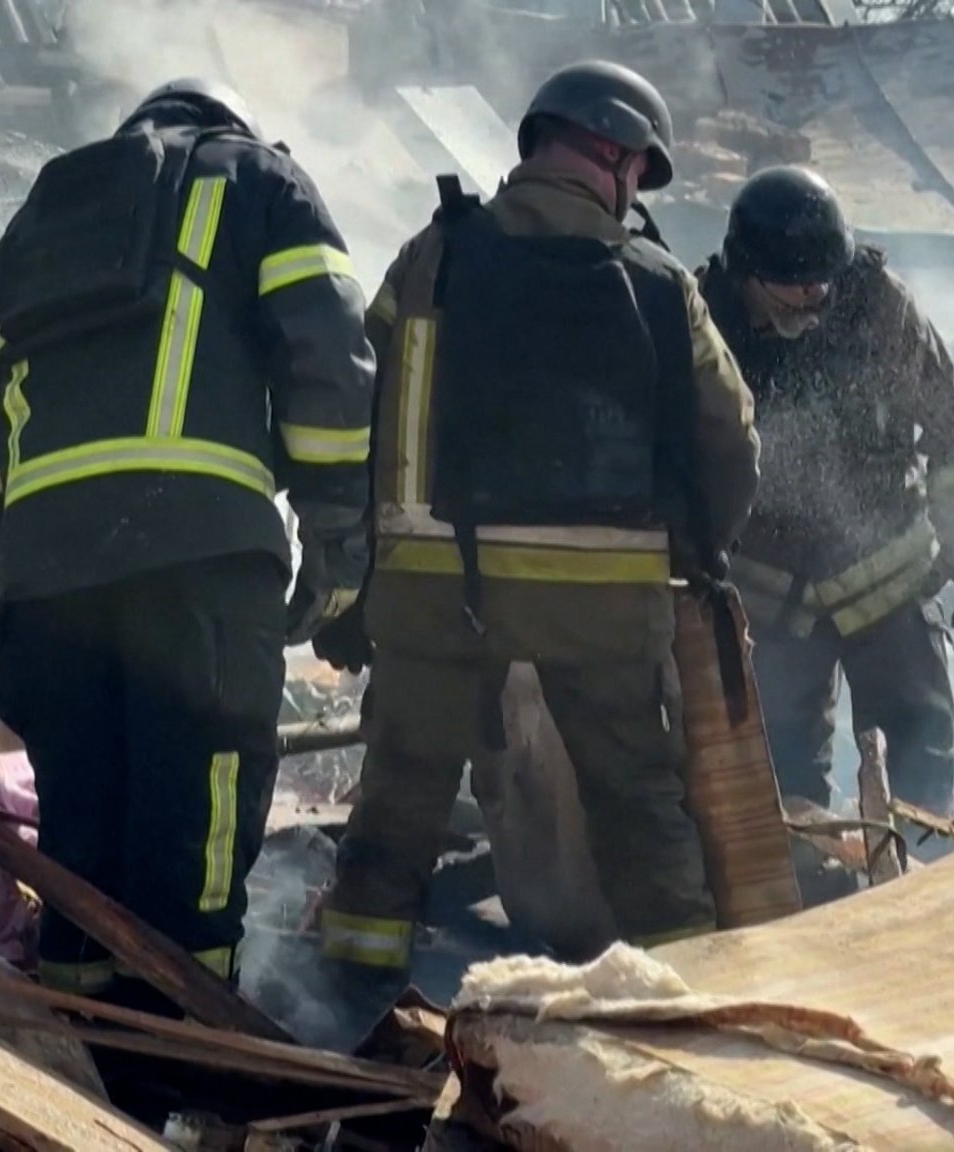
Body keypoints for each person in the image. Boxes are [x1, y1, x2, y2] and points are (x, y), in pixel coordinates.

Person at [317, 60, 760, 975]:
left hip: (439, 592)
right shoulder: (661, 286)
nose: (635, 192)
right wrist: (696, 553)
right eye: (637, 171)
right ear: (612, 155)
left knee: (400, 800)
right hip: (601, 603)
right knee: (639, 805)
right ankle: (692, 996)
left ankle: (346, 1000)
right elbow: (732, 442)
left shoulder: (434, 254)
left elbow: (366, 405)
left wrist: (360, 576)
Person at [0, 78, 374, 1000]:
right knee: (199, 823)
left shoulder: (46, 212)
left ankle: (83, 1058)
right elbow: (331, 367)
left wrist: (2, 557)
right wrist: (338, 540)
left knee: (81, 832)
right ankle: (181, 1060)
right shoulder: (262, 183)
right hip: (198, 566)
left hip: (50, 580)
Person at [695, 165, 954, 890]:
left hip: (888, 572)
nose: (811, 297)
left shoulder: (874, 304)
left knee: (919, 740)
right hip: (768, 593)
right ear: (744, 272)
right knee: (783, 763)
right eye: (790, 284)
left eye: (821, 281)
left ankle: (923, 899)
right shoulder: (703, 317)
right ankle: (815, 908)